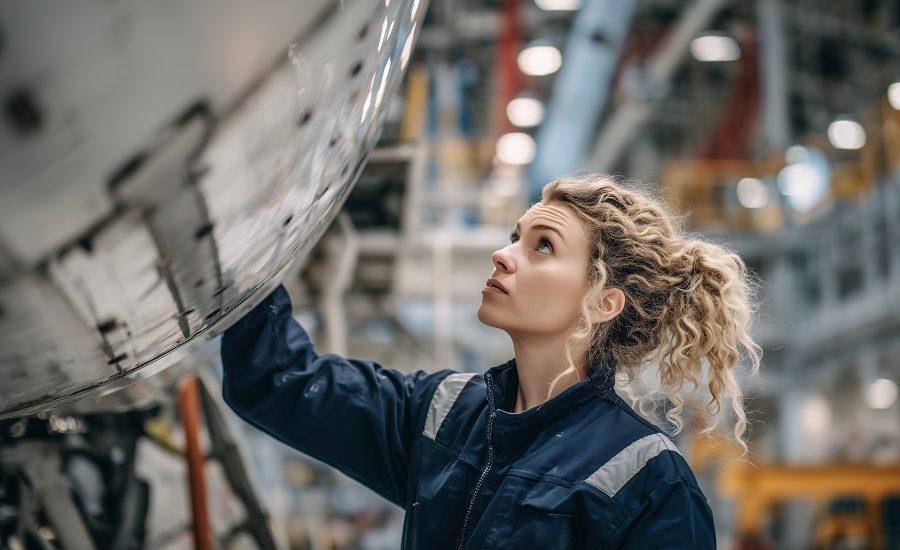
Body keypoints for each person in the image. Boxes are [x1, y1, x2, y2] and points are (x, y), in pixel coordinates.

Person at [220, 175, 761, 549]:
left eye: (543, 246)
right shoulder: (440, 414)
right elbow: (276, 382)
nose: (504, 255)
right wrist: (252, 240)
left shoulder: (646, 479)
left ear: (603, 303)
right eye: (514, 238)